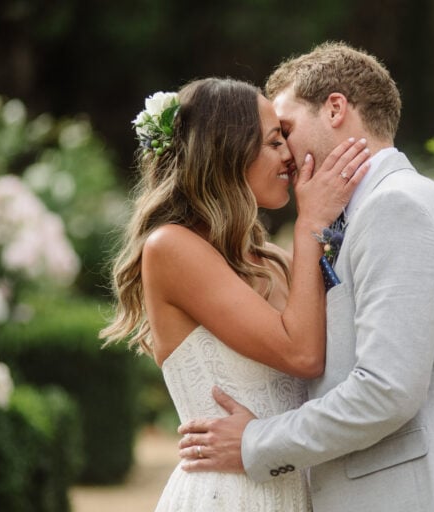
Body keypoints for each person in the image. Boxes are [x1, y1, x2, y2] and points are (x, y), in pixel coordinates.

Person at [178, 42, 434, 511]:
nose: (282, 153)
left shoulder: (396, 208)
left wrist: (254, 442)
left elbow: (385, 391)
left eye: (286, 130)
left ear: (336, 109)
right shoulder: (366, 213)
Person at [100, 77, 370, 511]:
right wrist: (309, 225)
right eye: (273, 142)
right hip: (227, 496)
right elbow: (301, 354)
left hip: (299, 491)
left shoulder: (276, 261)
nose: (289, 155)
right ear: (227, 152)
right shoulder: (170, 248)